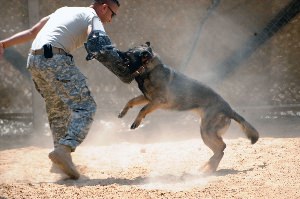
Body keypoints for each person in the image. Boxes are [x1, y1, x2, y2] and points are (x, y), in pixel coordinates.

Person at [0, 0, 135, 179]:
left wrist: (3, 44)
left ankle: (60, 160)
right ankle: (64, 149)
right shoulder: (93, 17)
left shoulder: (64, 10)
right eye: (112, 14)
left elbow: (34, 32)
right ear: (104, 7)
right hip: (55, 59)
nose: (110, 20)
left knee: (58, 110)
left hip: (34, 61)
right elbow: (98, 41)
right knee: (86, 106)